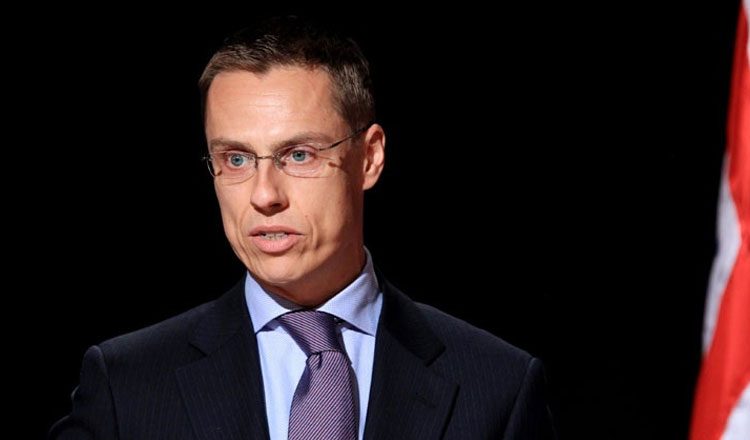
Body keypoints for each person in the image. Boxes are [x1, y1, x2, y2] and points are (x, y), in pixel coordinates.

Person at [50, 15, 556, 440]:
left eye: (298, 155)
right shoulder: (126, 386)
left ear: (369, 158)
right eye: (236, 158)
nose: (264, 194)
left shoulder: (498, 386)